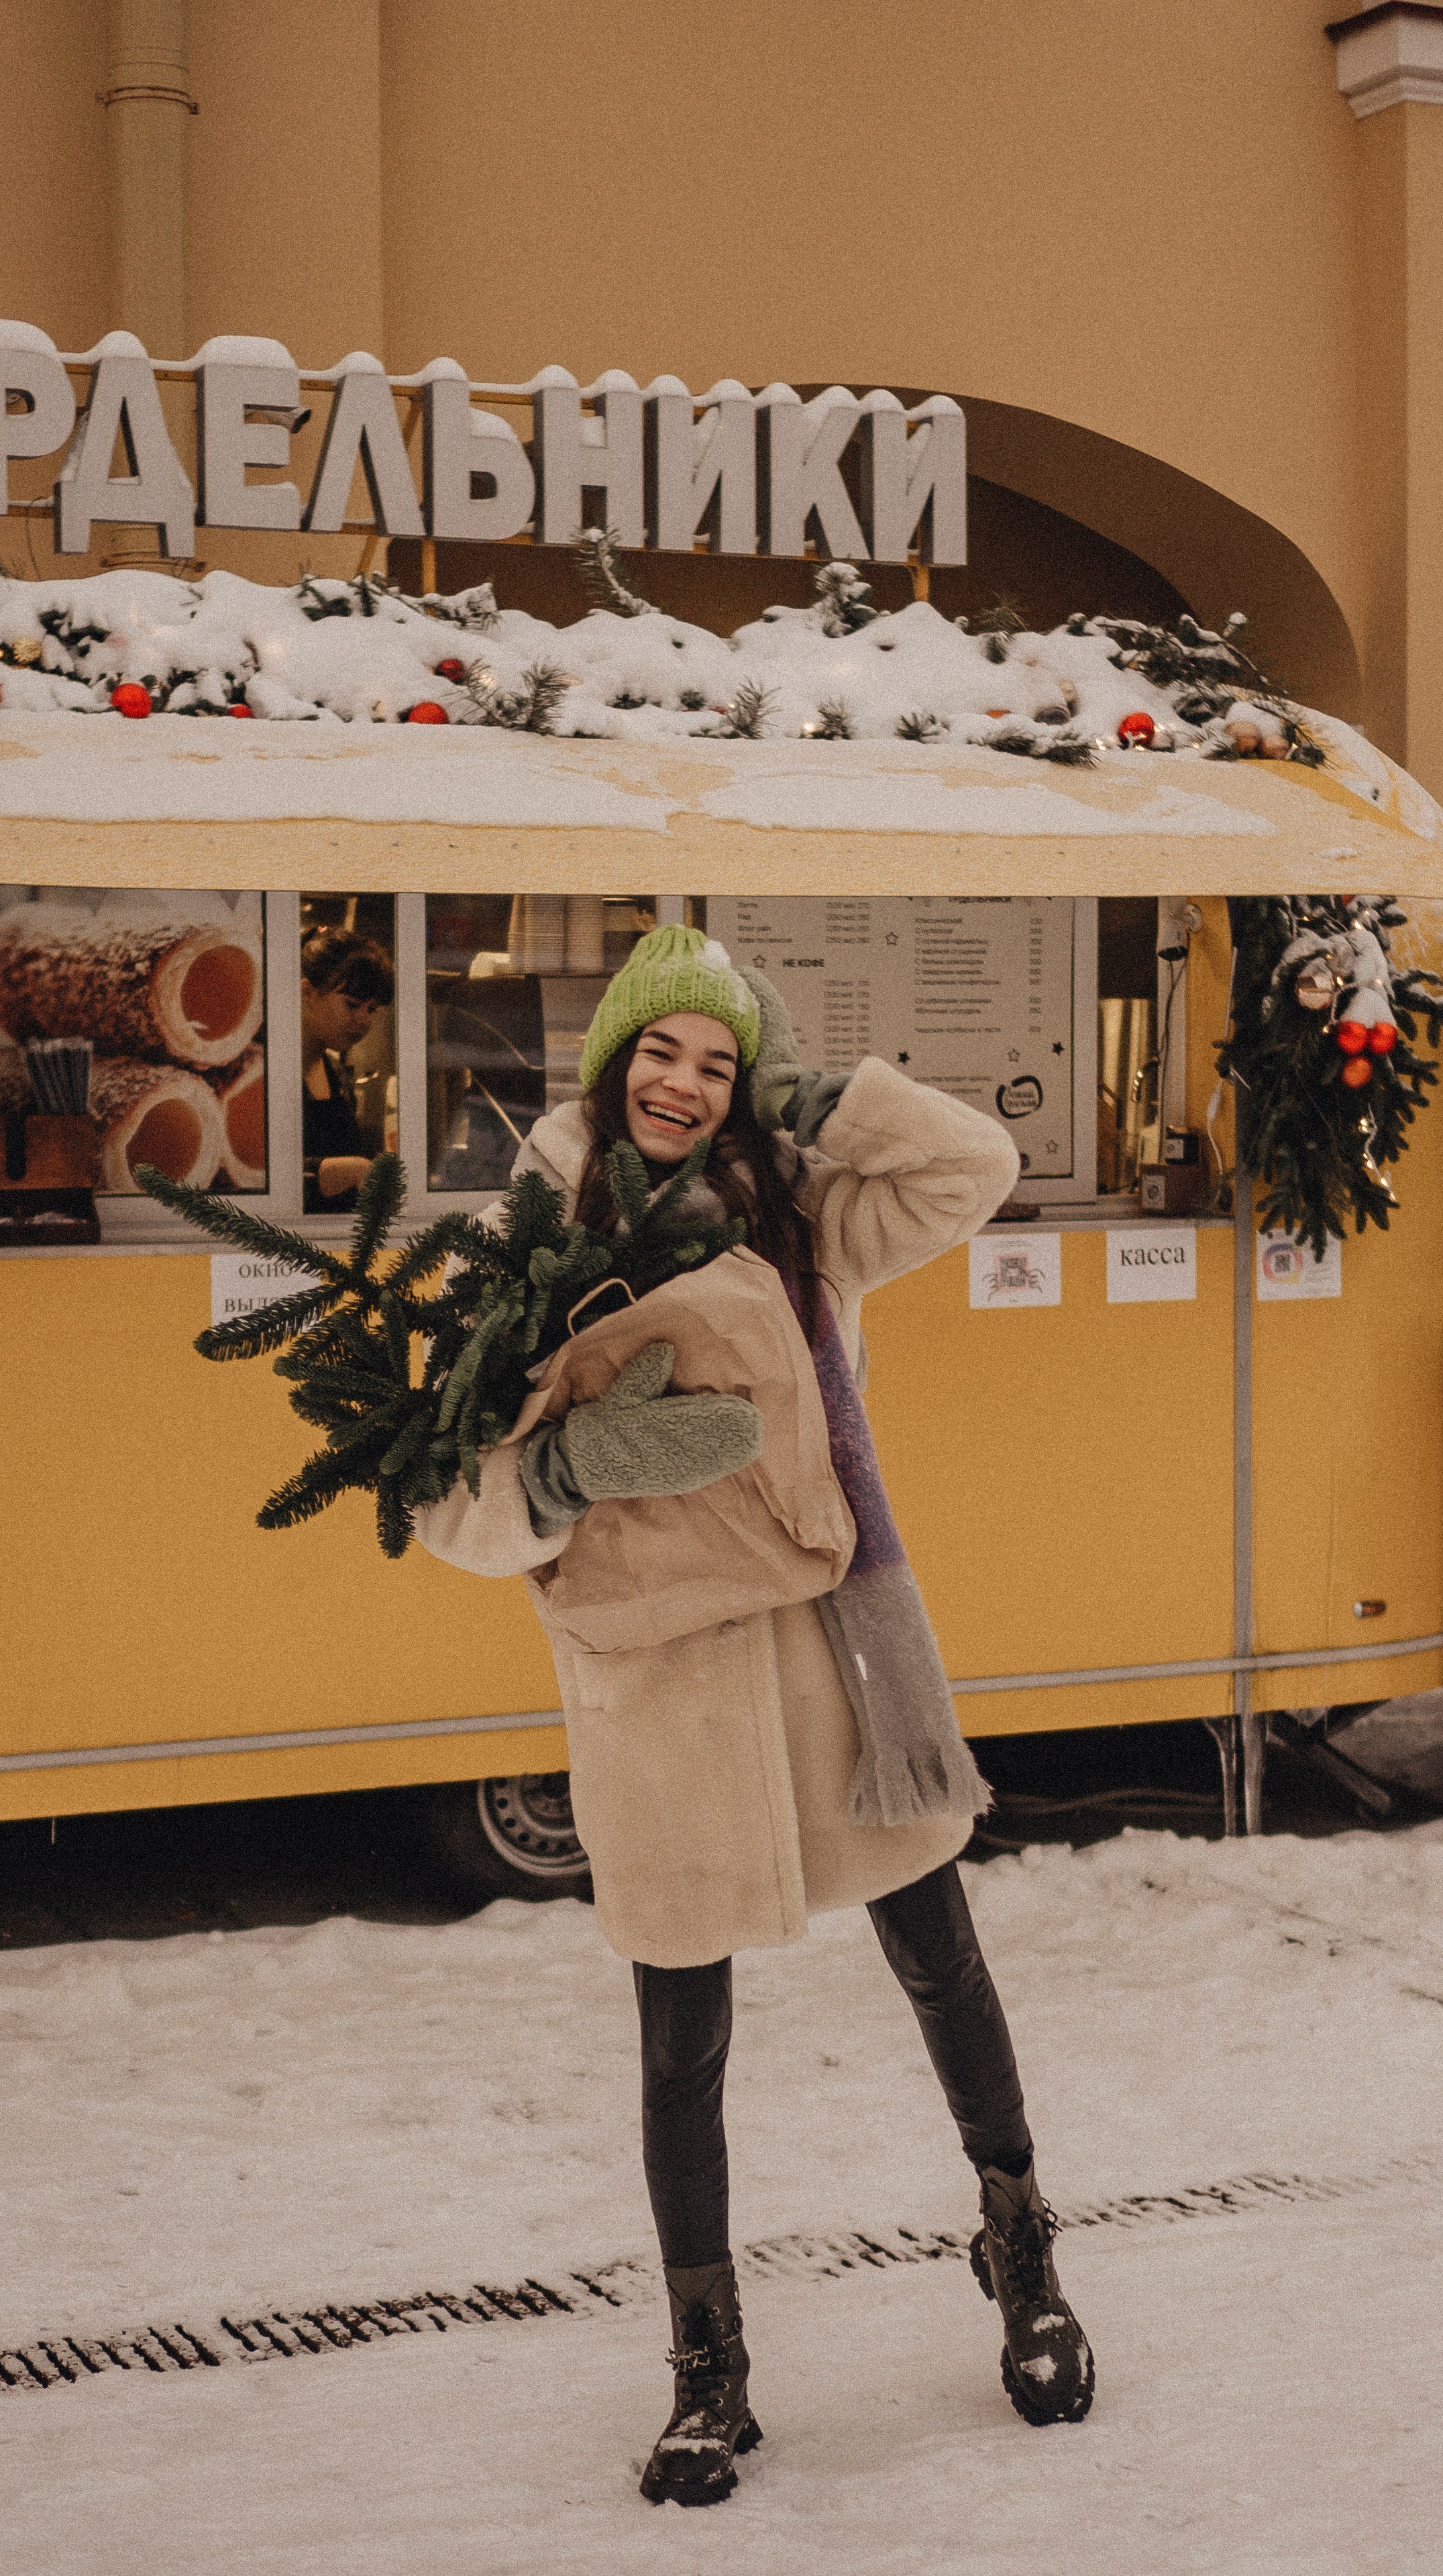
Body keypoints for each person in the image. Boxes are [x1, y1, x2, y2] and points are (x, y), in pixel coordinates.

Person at [415, 925, 1093, 2506]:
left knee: (942, 1962)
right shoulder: (530, 1242)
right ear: (610, 1061)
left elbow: (971, 1165)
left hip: (832, 1662)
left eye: (717, 1064)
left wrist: (815, 1093)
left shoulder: (799, 1218)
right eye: (662, 1050)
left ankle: (1023, 2258)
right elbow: (447, 1503)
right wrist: (567, 1475)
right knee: (681, 2041)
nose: (683, 1082)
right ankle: (708, 2367)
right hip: (658, 1692)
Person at [299, 924, 394, 1213]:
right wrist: (328, 1171)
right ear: (307, 993)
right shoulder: (261, 1071)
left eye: (372, 1010)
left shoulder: (335, 1072)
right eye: (352, 1005)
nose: (364, 1021)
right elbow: (253, 1175)